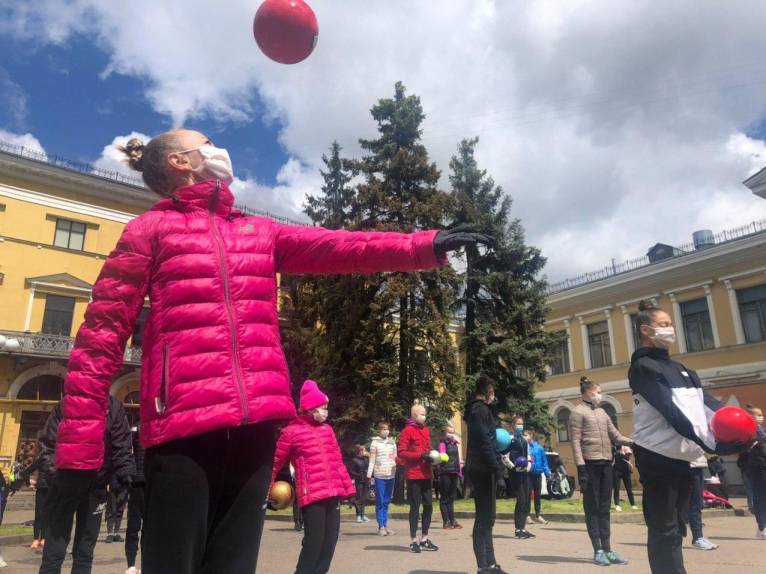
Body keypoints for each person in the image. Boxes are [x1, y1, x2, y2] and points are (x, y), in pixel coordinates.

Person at [50, 129, 491, 573]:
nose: (217, 150)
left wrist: (422, 245)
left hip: (255, 427)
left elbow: (340, 246)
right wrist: (78, 451)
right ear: (180, 162)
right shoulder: (149, 230)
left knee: (234, 564)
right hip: (183, 428)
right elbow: (100, 338)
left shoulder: (257, 232)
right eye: (204, 143)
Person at [629, 300, 747, 574]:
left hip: (684, 457)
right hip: (657, 457)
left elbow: (708, 406)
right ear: (646, 330)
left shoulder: (684, 369)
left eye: (671, 324)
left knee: (678, 525)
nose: (671, 329)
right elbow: (673, 413)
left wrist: (749, 431)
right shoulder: (643, 368)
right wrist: (714, 444)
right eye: (665, 325)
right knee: (664, 528)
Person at [39, 396, 134, 574]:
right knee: (54, 552)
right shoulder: (67, 403)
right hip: (65, 485)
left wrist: (125, 475)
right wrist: (56, 474)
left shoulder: (113, 407)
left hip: (96, 487)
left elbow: (122, 444)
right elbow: (48, 443)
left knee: (84, 551)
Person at [270, 380, 355, 574]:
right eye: (322, 408)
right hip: (312, 496)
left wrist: (348, 489)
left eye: (326, 408)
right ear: (310, 408)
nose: (325, 412)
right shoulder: (291, 432)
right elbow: (275, 462)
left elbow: (337, 460)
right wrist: (267, 489)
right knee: (313, 543)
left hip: (332, 492)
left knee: (329, 542)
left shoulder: (328, 430)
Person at [569, 376, 632, 566]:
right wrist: (581, 468)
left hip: (606, 464)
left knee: (605, 507)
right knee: (592, 508)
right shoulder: (577, 412)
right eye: (598, 392)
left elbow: (616, 435)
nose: (600, 395)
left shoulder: (603, 412)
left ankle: (608, 548)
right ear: (589, 392)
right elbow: (575, 442)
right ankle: (597, 550)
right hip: (589, 465)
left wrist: (635, 442)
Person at [464, 374, 507, 574]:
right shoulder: (479, 411)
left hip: (483, 467)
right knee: (483, 518)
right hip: (482, 468)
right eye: (492, 390)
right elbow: (485, 442)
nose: (494, 394)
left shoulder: (479, 411)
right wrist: (497, 470)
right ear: (487, 391)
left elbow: (488, 441)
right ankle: (483, 566)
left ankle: (491, 563)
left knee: (489, 518)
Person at [398, 404, 439, 553]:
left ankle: (424, 539)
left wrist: (432, 458)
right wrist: (419, 455)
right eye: (421, 414)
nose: (424, 416)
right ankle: (413, 540)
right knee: (415, 507)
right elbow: (402, 452)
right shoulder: (407, 431)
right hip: (414, 475)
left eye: (425, 414)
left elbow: (427, 449)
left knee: (428, 505)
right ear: (414, 415)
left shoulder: (426, 431)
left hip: (427, 473)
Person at [505, 415, 535, 539]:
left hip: (524, 472)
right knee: (521, 499)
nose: (520, 426)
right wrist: (512, 467)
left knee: (527, 500)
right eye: (518, 423)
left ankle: (523, 528)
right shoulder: (509, 439)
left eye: (522, 424)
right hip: (515, 473)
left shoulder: (524, 439)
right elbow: (504, 456)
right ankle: (518, 529)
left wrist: (528, 465)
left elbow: (528, 455)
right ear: (513, 425)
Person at [367, 421, 397, 536]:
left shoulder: (392, 442)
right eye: (383, 429)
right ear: (379, 430)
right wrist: (369, 475)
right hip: (379, 475)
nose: (386, 430)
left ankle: (385, 525)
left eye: (387, 428)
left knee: (386, 501)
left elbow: (396, 458)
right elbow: (372, 460)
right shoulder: (375, 443)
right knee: (380, 501)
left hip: (391, 474)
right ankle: (381, 526)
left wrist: (397, 467)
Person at [124, 423, 146, 574]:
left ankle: (147, 563)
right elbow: (126, 451)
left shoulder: (159, 427)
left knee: (149, 529)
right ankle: (131, 564)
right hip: (137, 484)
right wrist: (130, 474)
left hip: (153, 484)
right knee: (133, 526)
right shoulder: (136, 428)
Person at [687, 455, 718, 550]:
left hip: (699, 465)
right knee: (694, 504)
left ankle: (699, 536)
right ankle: (697, 538)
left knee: (698, 504)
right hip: (689, 466)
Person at [739, 405, 764, 515]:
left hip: (762, 465)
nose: (761, 417)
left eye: (761, 415)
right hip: (750, 465)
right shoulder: (746, 431)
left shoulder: (762, 430)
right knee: (752, 488)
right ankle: (753, 507)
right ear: (751, 417)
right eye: (758, 415)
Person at [438, 423, 463, 530]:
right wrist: (442, 455)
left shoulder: (455, 444)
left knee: (451, 498)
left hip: (454, 472)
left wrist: (459, 468)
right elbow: (442, 454)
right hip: (445, 473)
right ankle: (446, 521)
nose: (451, 434)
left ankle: (453, 520)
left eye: (453, 432)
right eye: (449, 432)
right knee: (444, 498)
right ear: (444, 433)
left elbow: (457, 458)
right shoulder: (442, 443)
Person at [525, 429, 552, 524]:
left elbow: (544, 461)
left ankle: (538, 515)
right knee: (527, 495)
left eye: (526, 435)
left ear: (531, 435)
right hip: (527, 474)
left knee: (537, 495)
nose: (525, 437)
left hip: (537, 474)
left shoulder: (539, 447)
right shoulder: (524, 447)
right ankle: (527, 516)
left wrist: (547, 472)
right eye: (524, 435)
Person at [349, 445, 371, 523]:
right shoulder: (354, 460)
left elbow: (370, 467)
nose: (364, 452)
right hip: (359, 481)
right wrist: (358, 475)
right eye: (363, 450)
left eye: (365, 450)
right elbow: (351, 471)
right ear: (359, 451)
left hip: (366, 480)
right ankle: (358, 515)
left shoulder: (366, 459)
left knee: (364, 498)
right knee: (359, 498)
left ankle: (363, 515)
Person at [612, 445, 637, 512]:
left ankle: (633, 504)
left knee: (629, 488)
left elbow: (627, 457)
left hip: (626, 470)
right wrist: (615, 452)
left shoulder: (626, 447)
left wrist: (619, 453)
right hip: (616, 470)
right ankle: (617, 505)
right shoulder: (613, 448)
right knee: (616, 488)